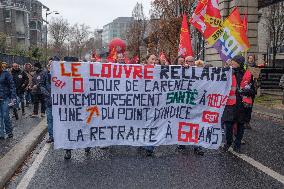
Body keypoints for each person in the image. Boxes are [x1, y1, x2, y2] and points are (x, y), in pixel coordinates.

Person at [222, 55, 255, 153]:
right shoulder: (227, 72)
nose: (232, 63)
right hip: (230, 105)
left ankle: (237, 144)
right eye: (232, 61)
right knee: (228, 125)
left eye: (234, 61)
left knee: (241, 126)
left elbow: (253, 91)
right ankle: (228, 142)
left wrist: (245, 92)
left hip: (242, 105)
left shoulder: (247, 74)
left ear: (239, 63)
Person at [0, 62, 16, 139]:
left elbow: (12, 86)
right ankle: (1, 134)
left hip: (5, 98)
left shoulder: (6, 74)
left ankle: (9, 131)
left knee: (5, 116)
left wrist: (13, 98)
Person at [40, 62, 54, 143]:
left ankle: (60, 136)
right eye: (49, 64)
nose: (50, 66)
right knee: (50, 119)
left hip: (60, 102)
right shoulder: (44, 74)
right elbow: (41, 85)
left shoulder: (61, 74)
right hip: (49, 101)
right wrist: (48, 94)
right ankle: (51, 136)